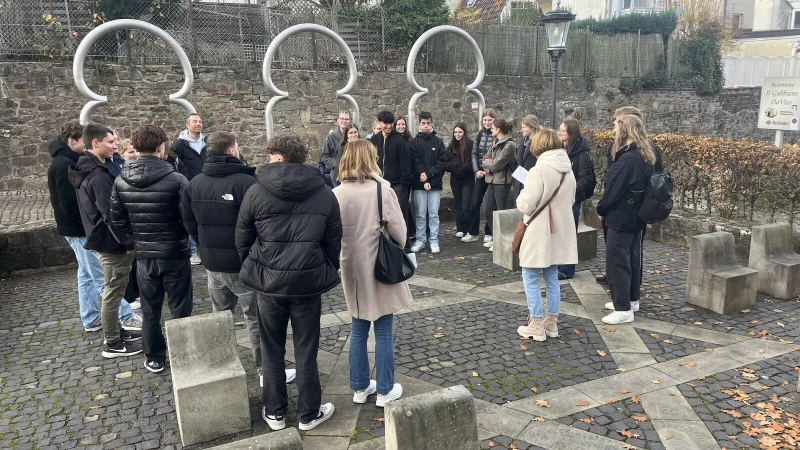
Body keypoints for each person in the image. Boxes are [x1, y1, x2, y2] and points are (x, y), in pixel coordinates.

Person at [236, 135, 341, 432]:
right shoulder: (323, 192)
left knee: (271, 349)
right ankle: (308, 413)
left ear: (280, 158)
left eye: (271, 155)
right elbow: (333, 241)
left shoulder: (256, 191)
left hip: (269, 284)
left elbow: (242, 238)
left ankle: (275, 412)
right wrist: (324, 266)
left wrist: (256, 266)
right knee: (306, 350)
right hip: (307, 283)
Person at [180, 131, 296, 387]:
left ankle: (220, 370)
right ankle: (266, 371)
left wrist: (204, 245)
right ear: (232, 151)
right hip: (243, 264)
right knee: (255, 318)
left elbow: (188, 222)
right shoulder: (247, 183)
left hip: (212, 263)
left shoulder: (193, 183)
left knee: (220, 316)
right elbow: (261, 223)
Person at [333, 139, 411, 408]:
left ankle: (359, 387)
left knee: (357, 326)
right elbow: (399, 232)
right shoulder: (382, 190)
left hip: (350, 265)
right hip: (379, 264)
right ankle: (385, 390)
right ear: (371, 159)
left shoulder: (337, 193)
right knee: (384, 329)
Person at [111, 124, 194, 373]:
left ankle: (155, 356)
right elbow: (188, 218)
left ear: (136, 147)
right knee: (180, 308)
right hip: (174, 253)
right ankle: (183, 355)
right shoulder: (177, 179)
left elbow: (116, 220)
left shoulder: (120, 180)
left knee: (150, 309)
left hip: (145, 256)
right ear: (161, 147)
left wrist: (133, 243)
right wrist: (182, 238)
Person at [50, 123, 141, 333]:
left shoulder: (80, 163)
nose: (114, 146)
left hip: (85, 229)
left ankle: (90, 318)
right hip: (82, 230)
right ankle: (124, 317)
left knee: (86, 275)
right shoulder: (68, 165)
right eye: (110, 142)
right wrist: (92, 226)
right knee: (103, 279)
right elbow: (72, 204)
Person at [516, 129, 577, 341]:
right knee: (552, 276)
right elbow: (570, 201)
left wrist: (522, 195)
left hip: (539, 230)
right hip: (559, 230)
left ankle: (535, 323)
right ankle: (551, 323)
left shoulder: (539, 169)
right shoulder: (568, 170)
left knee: (530, 275)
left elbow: (526, 204)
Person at [597, 115, 656, 325]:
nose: (613, 130)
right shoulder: (644, 155)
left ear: (625, 129)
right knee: (631, 258)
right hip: (636, 216)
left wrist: (601, 208)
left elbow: (612, 191)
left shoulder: (627, 159)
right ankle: (631, 300)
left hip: (621, 217)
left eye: (615, 126)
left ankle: (623, 309)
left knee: (617, 262)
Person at [556, 117, 595, 280]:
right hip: (559, 199)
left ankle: (566, 269)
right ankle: (558, 265)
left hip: (572, 200)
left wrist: (567, 189)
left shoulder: (582, 154)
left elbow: (585, 180)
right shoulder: (560, 150)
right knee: (559, 234)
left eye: (563, 131)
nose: (559, 133)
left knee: (568, 235)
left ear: (571, 133)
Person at [369, 111, 414, 247]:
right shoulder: (374, 140)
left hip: (397, 186)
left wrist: (402, 185)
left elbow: (406, 166)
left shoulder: (399, 140)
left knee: (399, 215)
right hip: (378, 184)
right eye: (385, 123)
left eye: (390, 123)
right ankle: (384, 244)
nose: (388, 126)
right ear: (379, 123)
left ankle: (403, 244)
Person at [170, 113, 206, 265]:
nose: (198, 123)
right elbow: (172, 162)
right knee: (191, 217)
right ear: (187, 125)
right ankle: (193, 252)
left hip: (206, 185)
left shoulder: (207, 141)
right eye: (194, 121)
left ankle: (204, 249)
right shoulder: (179, 143)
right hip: (189, 186)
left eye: (200, 121)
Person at [409, 112, 447, 254]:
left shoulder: (438, 142)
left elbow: (441, 163)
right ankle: (420, 240)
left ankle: (434, 240)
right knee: (420, 213)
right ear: (419, 124)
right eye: (423, 123)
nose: (426, 126)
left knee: (433, 213)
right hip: (419, 184)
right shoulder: (413, 142)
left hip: (434, 184)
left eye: (428, 123)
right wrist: (423, 178)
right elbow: (415, 162)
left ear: (432, 123)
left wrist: (429, 175)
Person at [462, 108, 498, 243]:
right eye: (485, 120)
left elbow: (496, 157)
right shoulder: (479, 134)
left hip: (492, 175)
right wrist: (477, 170)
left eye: (490, 120)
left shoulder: (497, 135)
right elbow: (474, 154)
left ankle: (489, 233)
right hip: (480, 175)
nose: (487, 122)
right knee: (474, 203)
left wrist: (486, 170)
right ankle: (473, 232)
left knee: (490, 205)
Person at [481, 118, 517, 252]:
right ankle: (496, 237)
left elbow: (496, 164)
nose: (491, 129)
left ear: (499, 129)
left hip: (502, 182)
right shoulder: (495, 141)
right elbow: (484, 159)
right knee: (488, 209)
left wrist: (490, 165)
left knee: (501, 211)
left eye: (493, 127)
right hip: (491, 180)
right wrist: (489, 166)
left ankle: (502, 240)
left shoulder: (509, 145)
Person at [118, 138, 141, 311]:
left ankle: (139, 293)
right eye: (131, 152)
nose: (135, 155)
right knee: (129, 264)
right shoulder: (120, 173)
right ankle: (130, 296)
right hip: (128, 220)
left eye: (136, 151)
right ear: (122, 154)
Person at [445, 122, 474, 238]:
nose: (457, 134)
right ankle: (460, 228)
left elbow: (471, 162)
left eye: (460, 132)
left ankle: (469, 229)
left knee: (466, 204)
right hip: (455, 179)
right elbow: (445, 163)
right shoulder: (451, 147)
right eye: (455, 132)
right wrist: (452, 166)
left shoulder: (470, 145)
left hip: (467, 178)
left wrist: (463, 168)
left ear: (464, 132)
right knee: (458, 204)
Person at [319, 110, 351, 188]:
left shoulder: (354, 135)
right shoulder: (331, 137)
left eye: (346, 119)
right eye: (342, 118)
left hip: (353, 174)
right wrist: (336, 164)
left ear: (350, 120)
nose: (344, 121)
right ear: (338, 120)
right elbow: (324, 156)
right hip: (337, 175)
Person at [511, 115, 540, 200]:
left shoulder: (539, 143)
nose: (521, 130)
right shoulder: (523, 142)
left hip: (532, 182)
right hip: (520, 182)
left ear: (532, 127)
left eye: (524, 127)